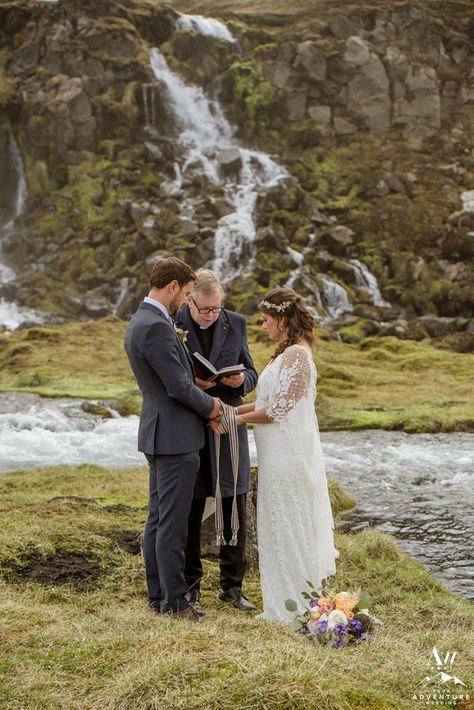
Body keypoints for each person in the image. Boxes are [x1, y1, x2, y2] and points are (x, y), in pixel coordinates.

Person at [211, 286, 337, 623]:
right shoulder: (289, 351)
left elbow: (278, 411)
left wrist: (234, 416)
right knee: (276, 523)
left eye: (267, 320)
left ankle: (296, 604)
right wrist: (231, 412)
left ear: (282, 319)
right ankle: (285, 601)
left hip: (287, 456)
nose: (263, 326)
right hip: (276, 453)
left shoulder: (297, 355)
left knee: (288, 525)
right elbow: (268, 404)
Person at [124, 257, 222, 622]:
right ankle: (176, 602)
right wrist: (212, 406)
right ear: (171, 286)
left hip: (158, 431)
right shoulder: (157, 327)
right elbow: (177, 387)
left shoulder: (141, 321)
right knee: (172, 522)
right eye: (184, 292)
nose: (185, 299)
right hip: (175, 436)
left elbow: (171, 380)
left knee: (158, 518)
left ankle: (159, 597)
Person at [175, 269, 258, 613]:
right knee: (192, 506)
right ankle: (191, 586)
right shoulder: (172, 321)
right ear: (190, 300)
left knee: (232, 502)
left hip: (230, 422)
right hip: (190, 422)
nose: (211, 315)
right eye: (205, 309)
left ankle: (232, 587)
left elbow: (252, 374)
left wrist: (240, 381)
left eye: (216, 309)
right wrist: (194, 385)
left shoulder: (235, 322)